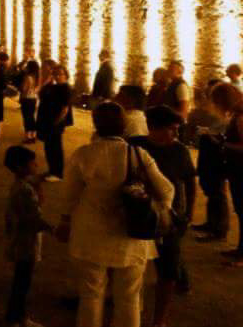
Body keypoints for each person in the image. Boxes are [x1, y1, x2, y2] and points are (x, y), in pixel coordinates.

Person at [55, 102, 174, 327]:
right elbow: (166, 189)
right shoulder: (138, 154)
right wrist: (159, 211)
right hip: (130, 232)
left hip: (91, 233)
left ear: (96, 124)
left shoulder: (84, 154)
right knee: (129, 296)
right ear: (124, 124)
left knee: (91, 293)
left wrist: (65, 220)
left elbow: (69, 194)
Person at [130, 106, 196, 325]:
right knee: (130, 265)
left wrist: (188, 213)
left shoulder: (179, 151)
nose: (176, 135)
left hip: (169, 217)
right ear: (153, 128)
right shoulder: (135, 146)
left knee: (167, 270)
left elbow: (189, 181)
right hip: (139, 214)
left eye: (177, 129)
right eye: (172, 129)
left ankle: (159, 320)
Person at [3, 146, 52, 327]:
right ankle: (15, 317)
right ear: (20, 167)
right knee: (21, 283)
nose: (37, 166)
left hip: (24, 241)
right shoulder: (24, 190)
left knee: (22, 281)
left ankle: (18, 316)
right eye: (33, 163)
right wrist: (54, 229)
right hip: (24, 242)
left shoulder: (23, 186)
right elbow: (34, 218)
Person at [193, 82, 239, 243]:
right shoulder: (233, 114)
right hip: (227, 161)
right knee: (216, 193)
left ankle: (220, 230)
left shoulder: (238, 116)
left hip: (234, 164)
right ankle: (213, 225)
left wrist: (221, 142)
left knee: (222, 195)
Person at [36, 64, 73, 182]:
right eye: (55, 74)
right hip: (48, 121)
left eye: (60, 74)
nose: (57, 76)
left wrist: (56, 122)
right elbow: (40, 93)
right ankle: (52, 170)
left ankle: (57, 173)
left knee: (55, 148)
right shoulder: (54, 87)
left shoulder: (65, 88)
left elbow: (65, 108)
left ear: (66, 75)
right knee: (49, 147)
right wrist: (48, 81)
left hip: (54, 122)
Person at [223, 103, 243, 266]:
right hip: (236, 167)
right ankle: (240, 249)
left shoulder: (241, 118)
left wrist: (225, 144)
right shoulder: (237, 116)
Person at [18, 61, 40, 144]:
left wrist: (20, 87)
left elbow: (24, 89)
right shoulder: (37, 77)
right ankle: (33, 135)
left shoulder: (27, 77)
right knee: (31, 117)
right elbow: (37, 89)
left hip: (26, 99)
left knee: (26, 118)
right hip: (33, 99)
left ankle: (28, 136)